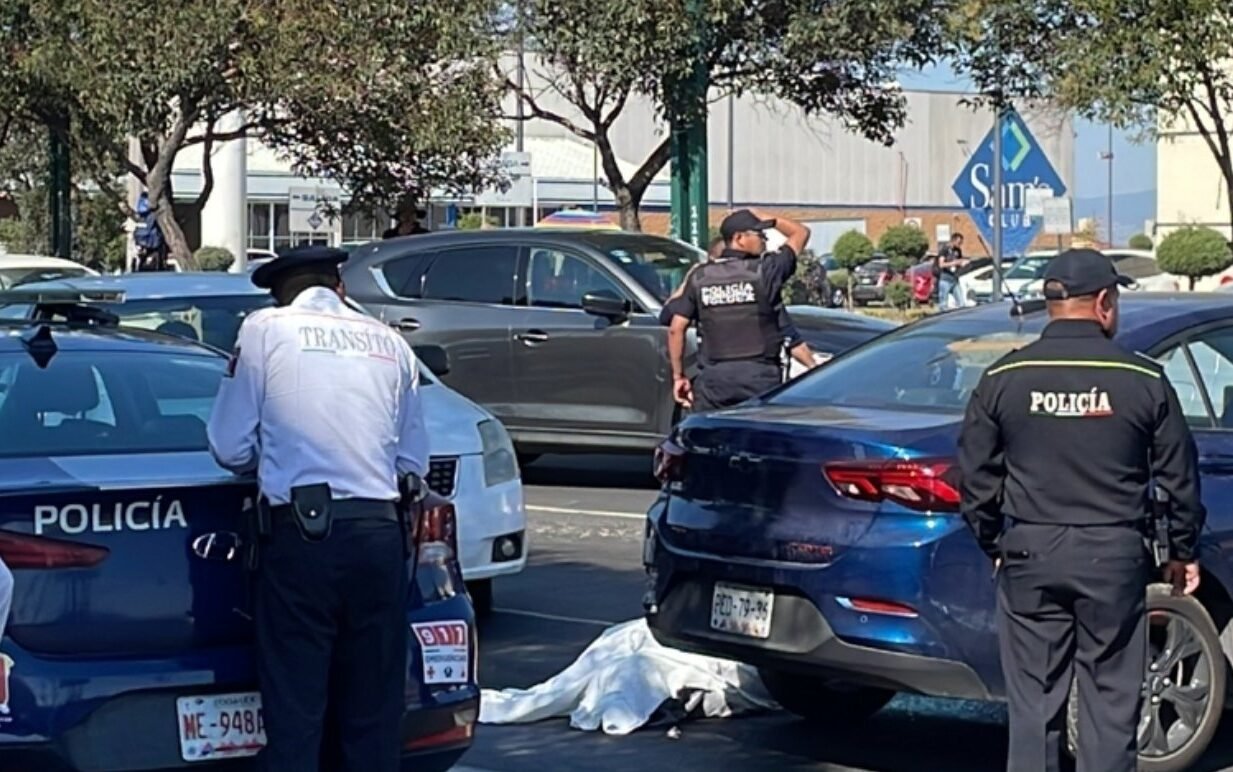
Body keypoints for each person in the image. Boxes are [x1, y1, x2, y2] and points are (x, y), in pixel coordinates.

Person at [957, 247, 1206, 772]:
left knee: (1033, 709)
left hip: (1029, 552)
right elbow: (1180, 476)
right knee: (1110, 705)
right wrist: (1181, 550)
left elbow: (976, 477)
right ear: (1105, 303)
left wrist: (994, 542)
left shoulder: (1003, 376)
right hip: (1111, 557)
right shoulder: (1145, 378)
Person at [206, 246, 429, 772]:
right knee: (373, 711)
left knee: (296, 709)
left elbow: (229, 445)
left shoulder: (266, 330)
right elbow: (411, 457)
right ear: (340, 287)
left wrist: (280, 453)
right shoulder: (389, 341)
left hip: (305, 538)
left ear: (280, 293)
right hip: (378, 535)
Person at [666, 209, 810, 411]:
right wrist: (766, 216)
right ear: (739, 238)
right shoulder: (766, 271)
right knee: (759, 439)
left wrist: (678, 376)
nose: (764, 239)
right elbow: (800, 233)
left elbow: (676, 328)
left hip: (714, 381)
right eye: (759, 234)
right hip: (760, 378)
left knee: (711, 438)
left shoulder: (700, 277)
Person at [658, 237, 818, 383]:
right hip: (758, 376)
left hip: (715, 377)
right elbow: (790, 336)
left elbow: (668, 319)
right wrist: (816, 370)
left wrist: (688, 283)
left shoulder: (701, 286)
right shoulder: (758, 286)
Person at [934, 232, 967, 309]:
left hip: (954, 279)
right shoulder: (944, 249)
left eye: (961, 243)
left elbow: (959, 261)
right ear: (953, 241)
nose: (960, 245)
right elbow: (941, 264)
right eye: (959, 242)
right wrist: (954, 263)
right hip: (945, 279)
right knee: (943, 304)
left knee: (961, 303)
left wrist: (962, 263)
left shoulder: (958, 250)